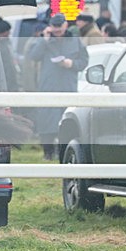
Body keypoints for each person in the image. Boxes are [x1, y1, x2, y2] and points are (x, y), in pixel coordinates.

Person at [26, 13, 88, 161]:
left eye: (59, 27)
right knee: (46, 121)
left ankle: (65, 151)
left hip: (68, 85)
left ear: (65, 25)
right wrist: (44, 39)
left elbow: (84, 61)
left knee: (67, 120)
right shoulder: (45, 39)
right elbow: (33, 56)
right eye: (54, 27)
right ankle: (48, 152)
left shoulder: (75, 40)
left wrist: (71, 64)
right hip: (48, 85)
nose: (57, 30)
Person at [0, 17, 20, 91]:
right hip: (5, 78)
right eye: (8, 31)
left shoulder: (7, 43)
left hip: (11, 77)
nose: (9, 33)